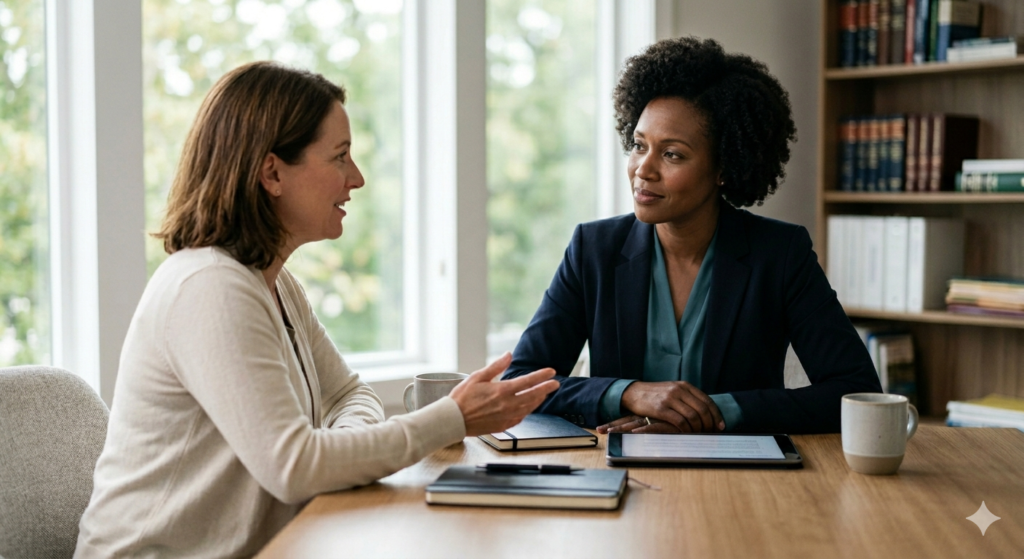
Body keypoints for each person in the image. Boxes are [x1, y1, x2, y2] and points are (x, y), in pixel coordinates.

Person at [75, 62, 559, 558]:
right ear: (272, 173)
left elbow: (351, 394)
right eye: (340, 157)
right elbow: (296, 469)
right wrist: (450, 417)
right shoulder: (209, 288)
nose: (357, 178)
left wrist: (333, 450)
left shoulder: (276, 282)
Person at [502, 37, 881, 435]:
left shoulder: (781, 254)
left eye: (672, 154)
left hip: (742, 480)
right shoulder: (592, 250)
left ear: (724, 167)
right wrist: (628, 393)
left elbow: (853, 391)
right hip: (621, 473)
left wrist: (710, 415)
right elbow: (520, 384)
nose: (642, 170)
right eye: (639, 145)